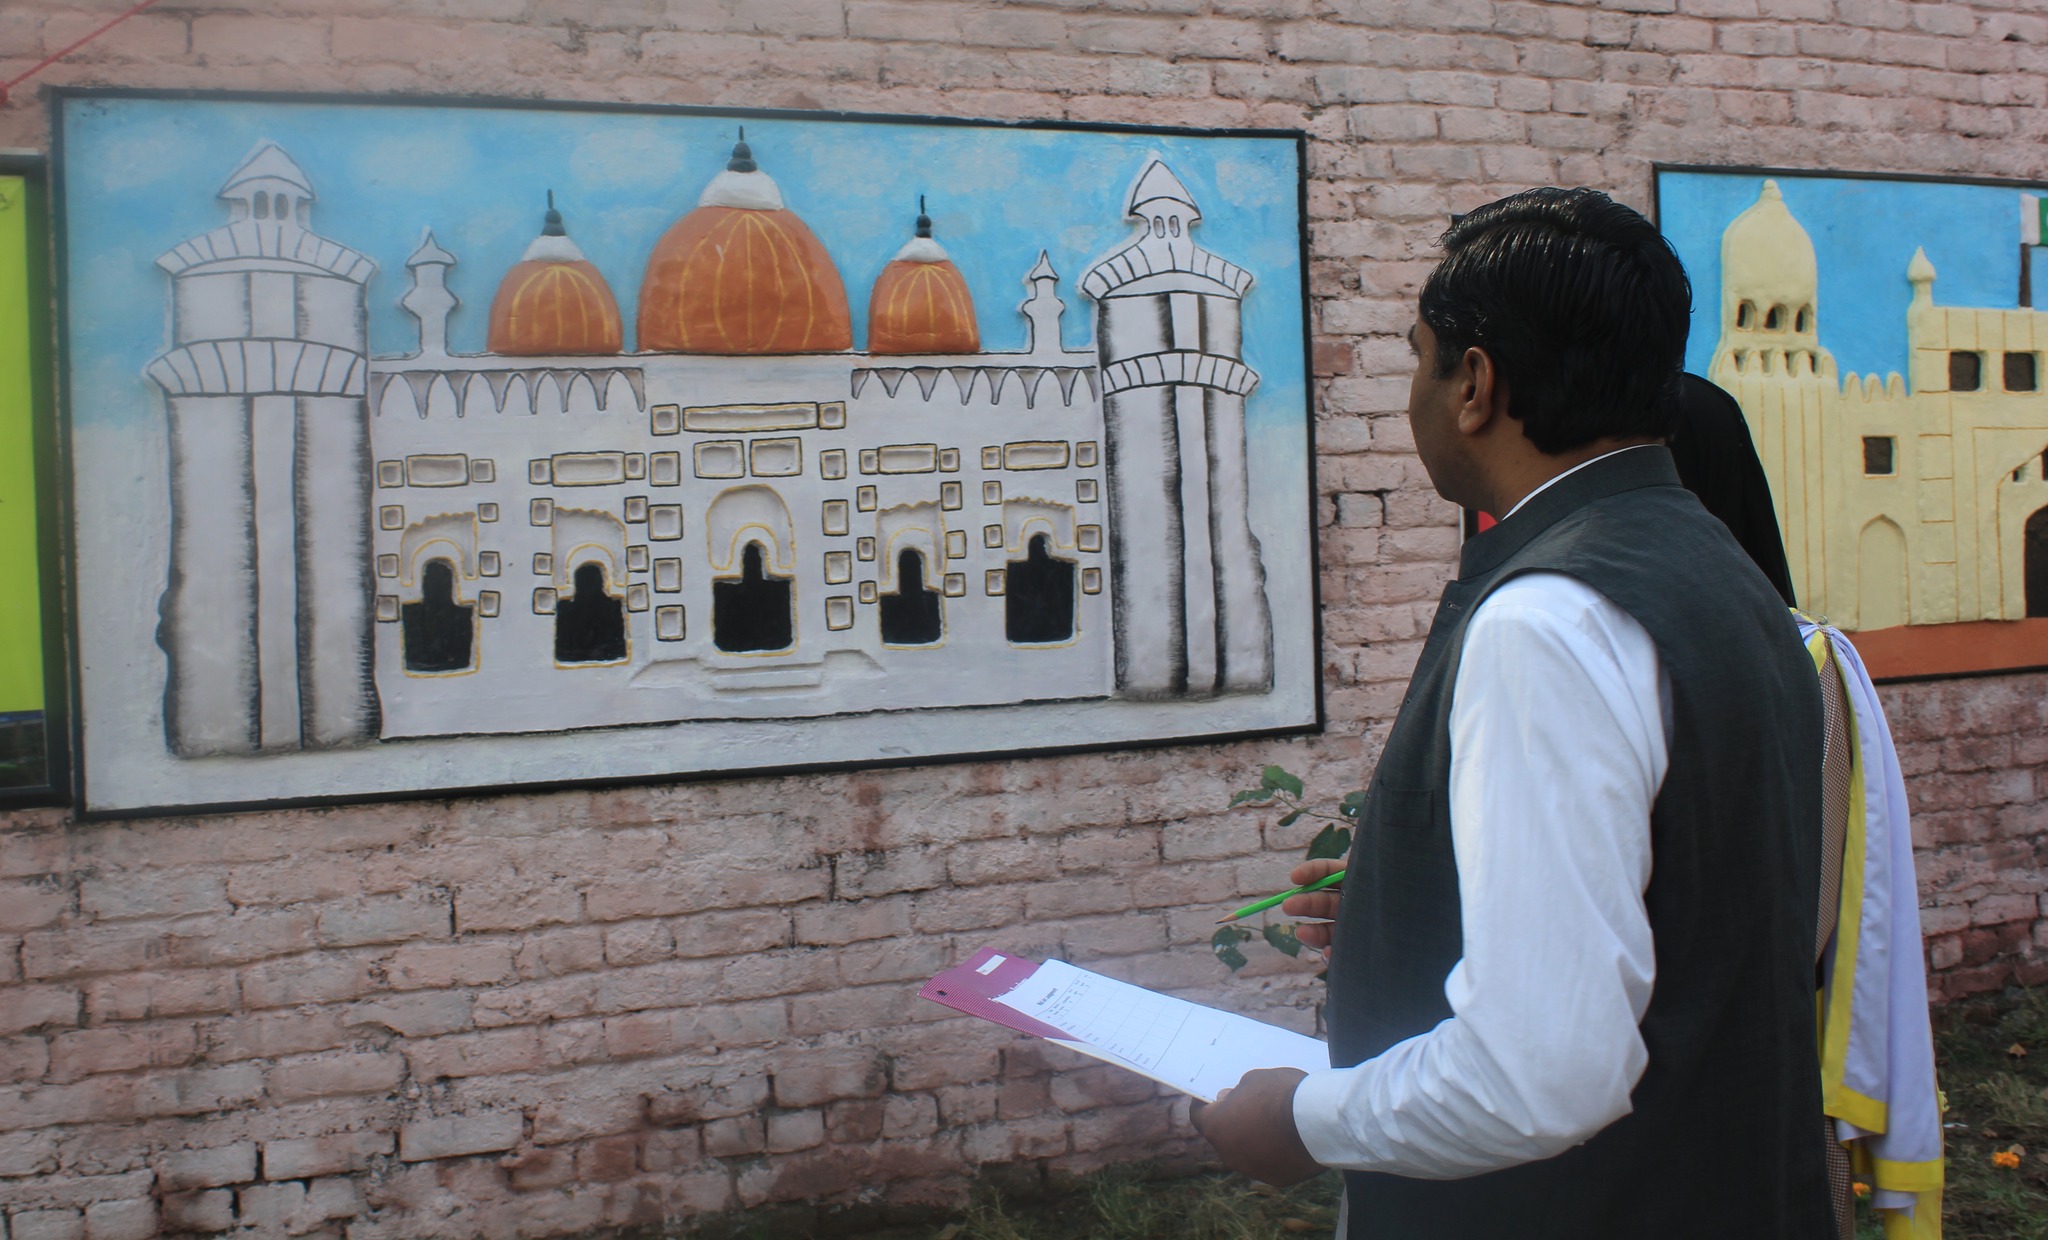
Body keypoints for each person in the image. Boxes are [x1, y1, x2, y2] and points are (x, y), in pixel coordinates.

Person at [1190, 188, 1834, 1237]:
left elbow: (1539, 1077)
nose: (1409, 395)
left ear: (1473, 383)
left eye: (1416, 357)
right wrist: (1424, 892)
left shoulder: (1545, 618)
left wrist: (1299, 1118)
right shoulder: (1715, 570)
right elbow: (1684, 889)